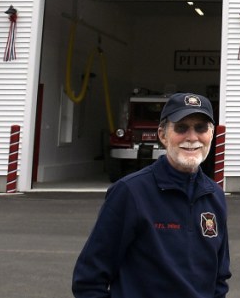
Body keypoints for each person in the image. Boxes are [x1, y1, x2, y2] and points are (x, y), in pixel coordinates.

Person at [72, 92, 231, 298]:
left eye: (200, 128)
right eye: (181, 128)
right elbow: (89, 279)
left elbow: (220, 278)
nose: (192, 137)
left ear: (211, 134)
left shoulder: (215, 196)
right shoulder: (130, 192)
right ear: (163, 135)